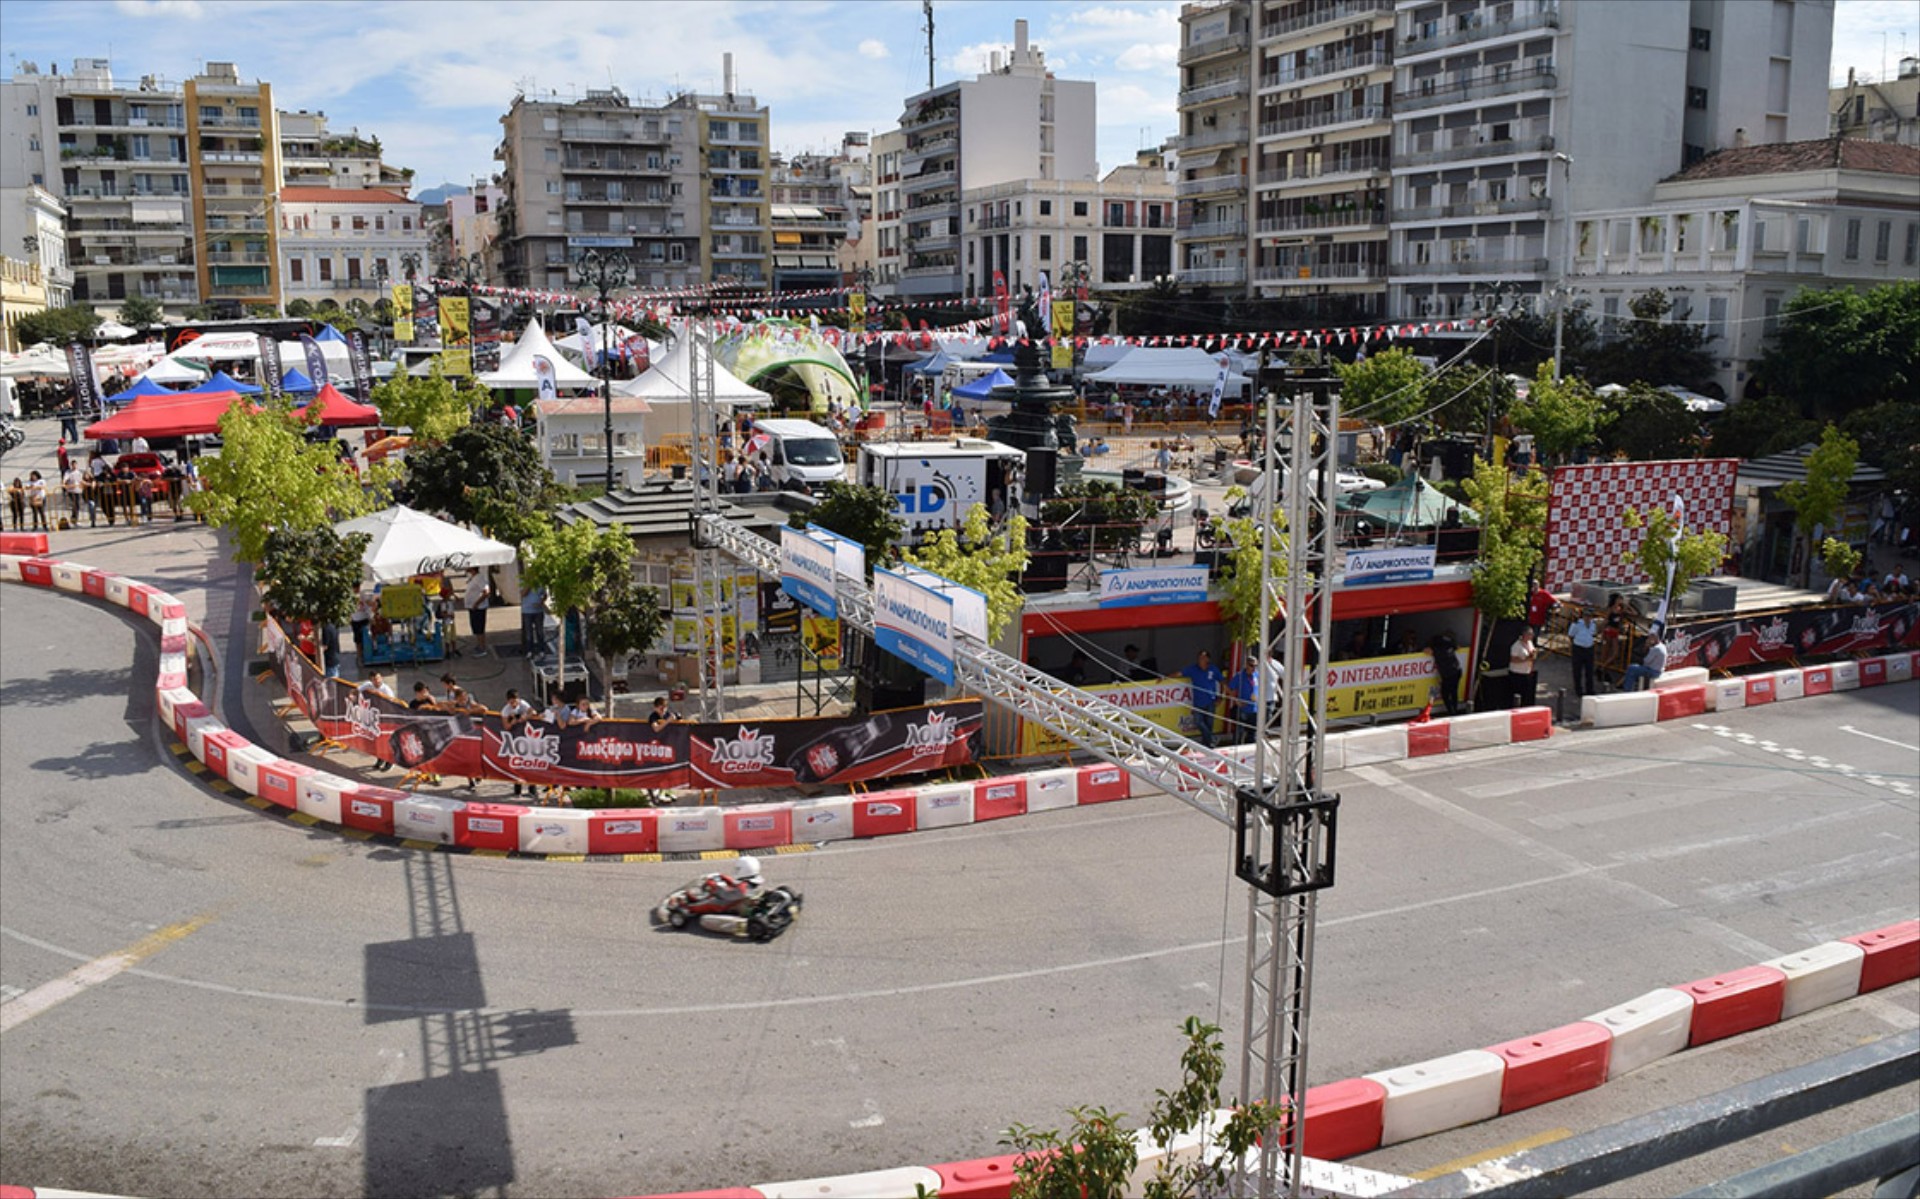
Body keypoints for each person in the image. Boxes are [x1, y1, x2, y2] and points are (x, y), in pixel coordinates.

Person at [1181, 650, 1224, 749]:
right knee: (1198, 722)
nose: (1201, 660)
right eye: (1199, 657)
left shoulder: (1213, 669)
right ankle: (1212, 739)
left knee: (1209, 725)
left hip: (1210, 701)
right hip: (1198, 702)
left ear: (1208, 659)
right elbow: (1180, 673)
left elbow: (1222, 681)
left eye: (1203, 658)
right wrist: (1165, 677)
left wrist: (1220, 696)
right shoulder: (1193, 669)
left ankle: (1207, 745)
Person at [499, 688, 536, 797]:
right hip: (514, 740)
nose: (514, 704)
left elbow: (533, 712)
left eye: (515, 702)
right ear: (508, 702)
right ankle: (517, 789)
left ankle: (532, 789)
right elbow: (506, 726)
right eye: (511, 702)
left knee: (530, 763)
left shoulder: (523, 704)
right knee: (516, 764)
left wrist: (525, 717)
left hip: (527, 738)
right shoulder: (505, 711)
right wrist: (513, 722)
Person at [1429, 629, 1463, 717]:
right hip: (1456, 670)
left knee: (1445, 693)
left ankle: (1451, 712)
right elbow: (1458, 647)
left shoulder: (1436, 649)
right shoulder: (1450, 644)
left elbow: (1427, 651)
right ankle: (1454, 711)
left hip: (1448, 673)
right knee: (1453, 691)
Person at [1567, 606, 1599, 698]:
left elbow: (1593, 634)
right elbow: (1570, 635)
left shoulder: (1593, 624)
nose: (1588, 618)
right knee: (1577, 670)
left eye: (1589, 616)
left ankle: (1590, 689)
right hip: (1578, 648)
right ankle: (1578, 690)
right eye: (1586, 615)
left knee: (1589, 671)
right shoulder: (1577, 624)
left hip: (1589, 648)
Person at [464, 568, 494, 656]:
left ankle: (482, 648)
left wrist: (476, 603)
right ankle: (479, 645)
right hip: (473, 608)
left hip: (478, 608)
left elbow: (486, 592)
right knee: (475, 627)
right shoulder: (473, 578)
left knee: (479, 627)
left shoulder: (480, 578)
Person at [1508, 626, 1538, 707]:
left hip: (1527, 672)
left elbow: (1532, 653)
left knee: (1526, 695)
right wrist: (1526, 659)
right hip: (1517, 673)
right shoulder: (1516, 646)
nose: (1532, 636)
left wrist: (1533, 655)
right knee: (1517, 694)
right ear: (1524, 635)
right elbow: (1513, 660)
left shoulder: (1530, 643)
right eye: (1530, 634)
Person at [521, 585, 550, 657]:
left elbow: (545, 595)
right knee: (528, 633)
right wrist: (529, 584)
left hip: (538, 611)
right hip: (527, 611)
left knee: (540, 631)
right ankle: (529, 651)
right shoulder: (523, 581)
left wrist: (541, 602)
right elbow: (523, 594)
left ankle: (541, 650)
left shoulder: (540, 582)